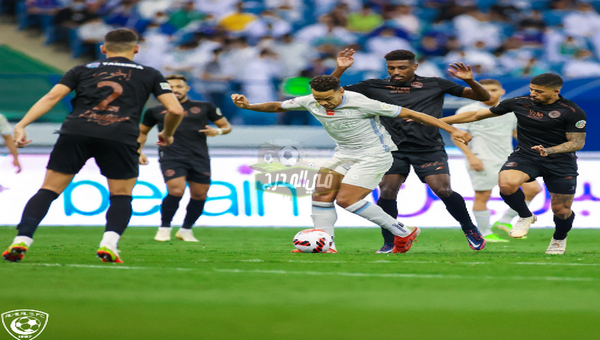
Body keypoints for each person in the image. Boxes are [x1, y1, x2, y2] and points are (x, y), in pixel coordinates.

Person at [231, 75, 473, 253]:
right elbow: (277, 106)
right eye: (318, 99)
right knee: (321, 195)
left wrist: (452, 129)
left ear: (340, 91)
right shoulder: (311, 100)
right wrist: (249, 106)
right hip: (343, 154)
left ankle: (403, 231)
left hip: (374, 155)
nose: (323, 103)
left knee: (346, 200)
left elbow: (414, 114)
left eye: (328, 98)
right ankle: (326, 244)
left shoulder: (362, 102)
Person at [2, 29, 184, 263]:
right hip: (120, 135)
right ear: (136, 49)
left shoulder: (82, 69)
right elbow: (176, 109)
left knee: (48, 190)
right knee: (121, 194)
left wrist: (22, 124)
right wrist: (167, 134)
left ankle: (22, 240)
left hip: (76, 131)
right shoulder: (150, 74)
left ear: (103, 49)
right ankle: (109, 245)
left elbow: (51, 97)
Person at [332, 49, 491, 253]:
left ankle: (470, 229)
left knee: (442, 190)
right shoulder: (373, 86)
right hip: (390, 149)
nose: (396, 72)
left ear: (414, 67)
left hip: (428, 147)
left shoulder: (434, 84)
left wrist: (470, 81)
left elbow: (483, 96)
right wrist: (340, 69)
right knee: (388, 191)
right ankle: (391, 241)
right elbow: (331, 93)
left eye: (402, 67)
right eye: (391, 68)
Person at [441, 73, 586, 255]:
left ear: (556, 91)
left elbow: (577, 143)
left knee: (561, 210)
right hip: (527, 155)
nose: (533, 93)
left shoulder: (572, 111)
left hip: (560, 161)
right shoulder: (519, 102)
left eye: (539, 91)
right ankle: (525, 216)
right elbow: (477, 114)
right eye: (532, 89)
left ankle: (559, 238)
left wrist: (549, 150)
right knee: (507, 184)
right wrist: (437, 121)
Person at [138, 74, 231, 243]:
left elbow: (226, 126)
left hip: (199, 156)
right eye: (170, 87)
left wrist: (217, 131)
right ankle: (164, 228)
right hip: (171, 155)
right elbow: (142, 131)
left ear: (186, 88)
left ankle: (186, 229)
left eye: (179, 86)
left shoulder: (204, 107)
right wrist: (139, 150)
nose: (175, 90)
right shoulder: (155, 111)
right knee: (176, 190)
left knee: (200, 195)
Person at [451, 79, 541, 242]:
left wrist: (531, 150)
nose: (489, 93)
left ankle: (505, 221)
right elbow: (457, 136)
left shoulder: (510, 110)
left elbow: (517, 134)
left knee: (533, 188)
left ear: (502, 92)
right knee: (483, 195)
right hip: (481, 158)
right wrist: (470, 156)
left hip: (509, 159)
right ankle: (484, 232)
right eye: (484, 90)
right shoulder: (468, 110)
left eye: (493, 90)